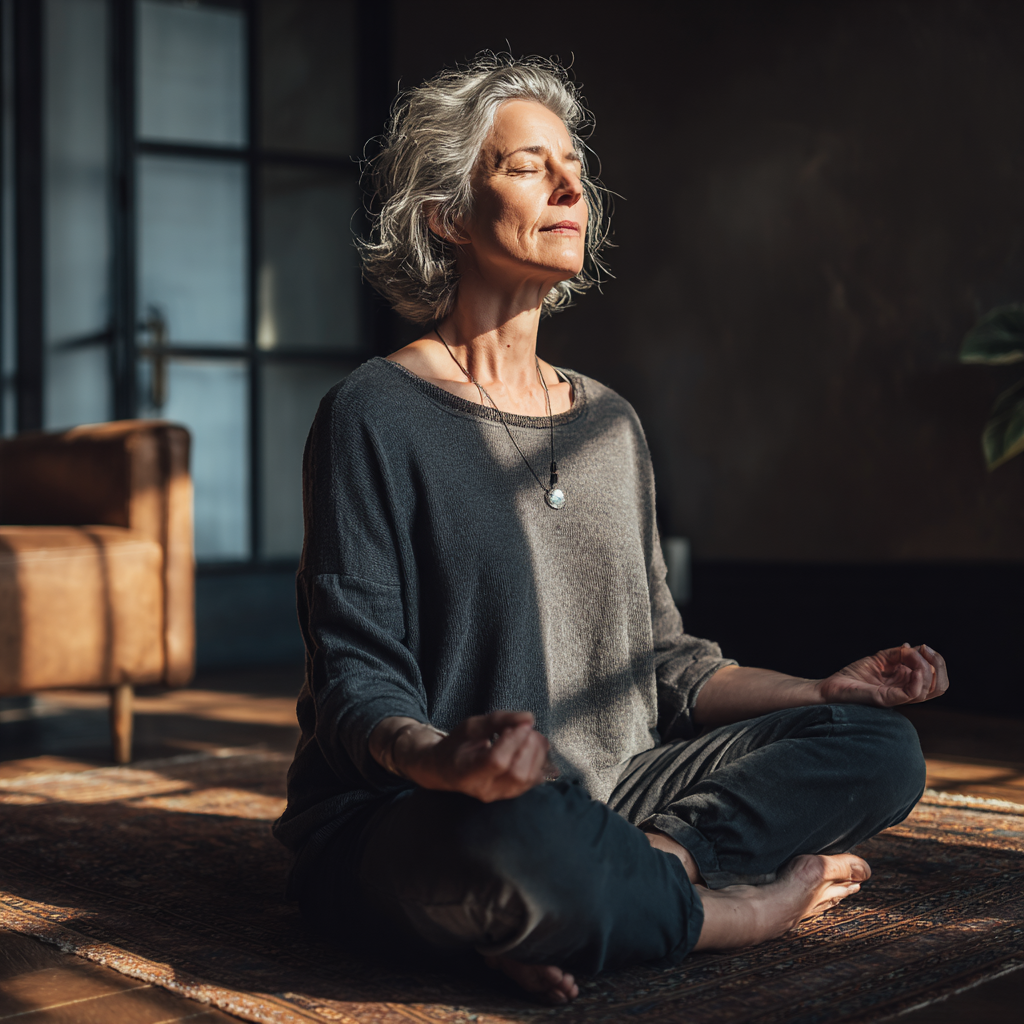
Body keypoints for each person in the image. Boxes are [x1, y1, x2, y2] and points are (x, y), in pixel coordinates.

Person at [273, 54, 945, 1005]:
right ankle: (726, 913)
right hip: (434, 808)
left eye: (574, 165)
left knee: (878, 752)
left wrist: (819, 686)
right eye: (526, 165)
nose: (570, 184)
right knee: (514, 845)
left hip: (614, 796)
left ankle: (636, 875)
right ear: (447, 216)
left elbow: (663, 661)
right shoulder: (372, 415)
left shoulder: (609, 424)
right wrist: (449, 760)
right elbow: (356, 686)